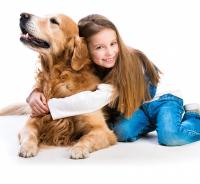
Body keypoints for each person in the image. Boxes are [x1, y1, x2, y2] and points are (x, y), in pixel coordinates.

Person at [26, 14, 200, 146]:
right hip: (138, 106)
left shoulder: (126, 65)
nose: (109, 52)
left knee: (169, 136)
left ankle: (194, 116)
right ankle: (156, 122)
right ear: (85, 50)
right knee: (122, 132)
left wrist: (50, 107)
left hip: (164, 100)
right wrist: (35, 93)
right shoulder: (92, 67)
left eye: (113, 43)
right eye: (100, 47)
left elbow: (94, 99)